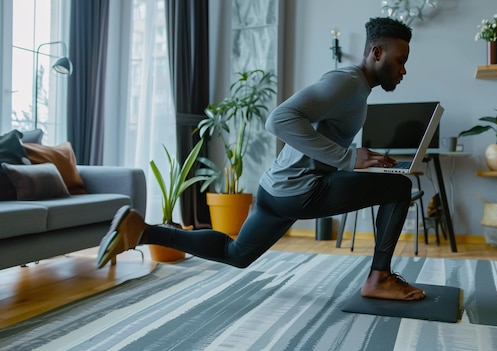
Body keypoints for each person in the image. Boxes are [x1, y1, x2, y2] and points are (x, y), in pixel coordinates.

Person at [97, 17, 426, 301]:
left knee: (237, 254)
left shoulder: (356, 88)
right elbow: (279, 119)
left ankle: (142, 231)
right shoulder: (347, 83)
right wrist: (347, 157)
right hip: (301, 190)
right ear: (377, 53)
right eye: (400, 60)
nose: (404, 70)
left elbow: (316, 136)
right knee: (397, 189)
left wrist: (357, 158)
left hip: (277, 188)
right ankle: (379, 278)